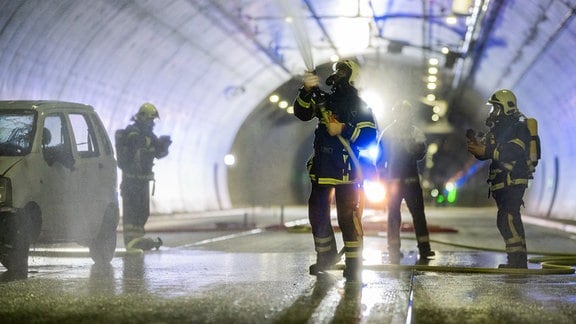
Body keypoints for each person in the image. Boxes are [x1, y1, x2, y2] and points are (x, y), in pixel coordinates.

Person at [293, 60, 378, 281]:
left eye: (342, 71)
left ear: (352, 76)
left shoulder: (359, 105)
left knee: (347, 217)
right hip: (322, 165)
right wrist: (306, 90)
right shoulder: (326, 100)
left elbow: (369, 136)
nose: (336, 74)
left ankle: (354, 262)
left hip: (347, 169)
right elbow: (302, 113)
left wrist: (342, 128)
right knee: (318, 213)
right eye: (336, 71)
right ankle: (326, 256)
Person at [467, 89, 532, 268]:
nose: (492, 113)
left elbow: (515, 151)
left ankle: (517, 262)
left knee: (508, 218)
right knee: (507, 219)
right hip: (502, 182)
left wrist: (486, 151)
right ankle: (516, 260)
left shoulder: (518, 127)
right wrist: (477, 148)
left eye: (495, 109)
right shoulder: (497, 130)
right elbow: (489, 152)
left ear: (506, 107)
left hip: (513, 179)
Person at [377, 100, 434, 264]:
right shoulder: (388, 133)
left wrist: (416, 149)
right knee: (394, 215)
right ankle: (394, 249)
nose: (403, 116)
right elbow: (380, 158)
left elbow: (421, 153)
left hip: (409, 182)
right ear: (396, 114)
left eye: (406, 112)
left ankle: (424, 249)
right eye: (400, 112)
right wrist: (381, 176)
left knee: (417, 215)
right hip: (396, 182)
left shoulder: (415, 133)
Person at [116, 103, 172, 252]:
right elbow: (140, 150)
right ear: (143, 118)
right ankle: (131, 242)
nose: (153, 124)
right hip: (132, 181)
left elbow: (156, 154)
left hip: (142, 181)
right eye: (151, 120)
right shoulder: (133, 132)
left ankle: (138, 240)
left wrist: (163, 146)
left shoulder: (148, 135)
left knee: (142, 212)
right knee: (132, 214)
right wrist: (154, 147)